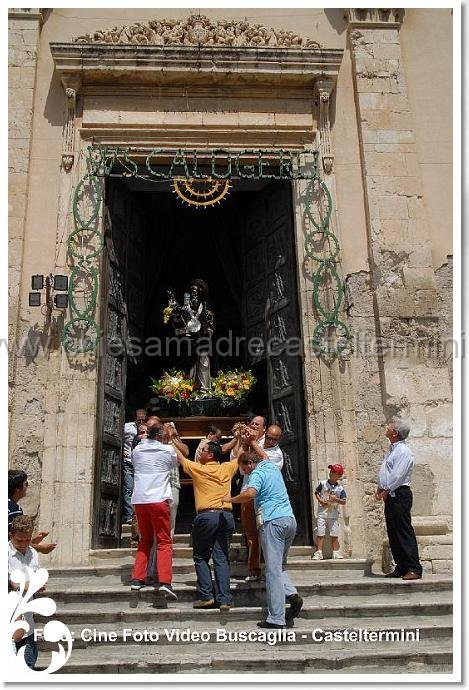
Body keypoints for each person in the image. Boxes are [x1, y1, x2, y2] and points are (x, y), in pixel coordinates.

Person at [223, 450, 303, 629]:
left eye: (245, 470)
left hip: (272, 521)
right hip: (289, 520)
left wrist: (231, 499)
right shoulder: (272, 467)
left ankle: (276, 618)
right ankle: (292, 596)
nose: (246, 473)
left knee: (272, 571)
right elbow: (263, 456)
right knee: (279, 566)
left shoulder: (257, 472)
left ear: (251, 464)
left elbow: (250, 493)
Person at [171, 435, 240, 611]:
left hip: (206, 516)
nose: (200, 451)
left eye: (203, 450)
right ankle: (224, 598)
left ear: (210, 455)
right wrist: (243, 439)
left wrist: (170, 440)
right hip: (226, 515)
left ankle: (207, 596)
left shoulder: (198, 469)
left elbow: (180, 458)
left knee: (201, 556)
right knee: (221, 557)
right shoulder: (227, 467)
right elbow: (240, 457)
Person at [129, 422, 178, 600]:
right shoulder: (167, 450)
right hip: (158, 498)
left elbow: (134, 463)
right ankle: (165, 581)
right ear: (160, 436)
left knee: (145, 540)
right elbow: (174, 464)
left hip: (140, 499)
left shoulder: (137, 450)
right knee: (164, 541)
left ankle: (137, 578)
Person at [376, 421, 422, 580]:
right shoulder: (393, 449)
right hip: (391, 493)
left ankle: (413, 568)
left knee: (403, 530)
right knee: (393, 531)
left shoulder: (403, 451)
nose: (387, 426)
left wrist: (386, 489)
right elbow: (387, 471)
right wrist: (380, 487)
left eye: (390, 426)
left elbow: (398, 475)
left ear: (395, 433)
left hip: (399, 493)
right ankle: (401, 566)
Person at [241, 424, 284, 581]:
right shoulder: (257, 444)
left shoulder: (277, 455)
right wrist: (245, 441)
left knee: (266, 534)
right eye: (268, 437)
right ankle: (253, 569)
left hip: (265, 499)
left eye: (274, 439)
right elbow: (242, 465)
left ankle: (270, 568)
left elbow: (264, 463)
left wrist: (252, 443)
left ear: (279, 440)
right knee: (251, 534)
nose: (270, 441)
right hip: (248, 492)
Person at [9, 515, 42, 668]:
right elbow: (12, 583)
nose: (24, 544)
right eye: (19, 540)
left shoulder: (32, 553)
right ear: (11, 536)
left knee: (29, 663)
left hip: (27, 620)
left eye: (27, 540)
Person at [8, 470, 56, 554]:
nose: (27, 487)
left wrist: (31, 541)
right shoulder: (14, 509)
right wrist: (41, 548)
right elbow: (13, 543)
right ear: (17, 488)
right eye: (25, 484)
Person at [312, 464, 347, 560]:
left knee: (334, 533)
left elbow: (344, 501)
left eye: (334, 472)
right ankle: (319, 552)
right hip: (322, 513)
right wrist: (320, 501)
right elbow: (316, 492)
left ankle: (335, 552)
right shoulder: (323, 483)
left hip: (333, 514)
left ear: (338, 476)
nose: (331, 473)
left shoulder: (340, 488)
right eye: (331, 471)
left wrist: (336, 499)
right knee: (320, 532)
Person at [122, 408, 147, 524]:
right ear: (135, 417)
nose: (141, 421)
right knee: (129, 488)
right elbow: (117, 437)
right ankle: (130, 516)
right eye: (139, 419)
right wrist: (121, 449)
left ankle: (140, 516)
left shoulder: (147, 429)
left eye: (143, 419)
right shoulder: (126, 427)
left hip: (142, 464)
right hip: (128, 462)